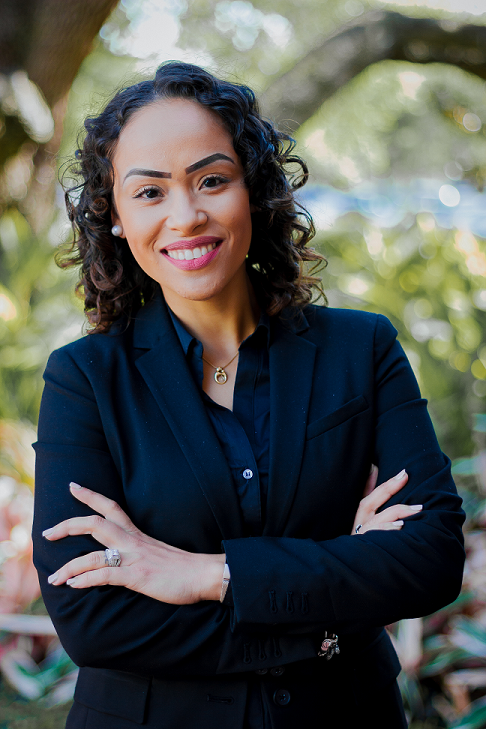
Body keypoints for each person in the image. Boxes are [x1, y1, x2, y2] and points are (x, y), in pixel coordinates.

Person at [32, 61, 465, 729]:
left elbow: (429, 559)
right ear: (114, 215)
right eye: (150, 193)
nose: (186, 215)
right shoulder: (83, 380)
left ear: (253, 190)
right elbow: (93, 619)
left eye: (212, 180)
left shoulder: (362, 349)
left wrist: (207, 574)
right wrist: (320, 619)